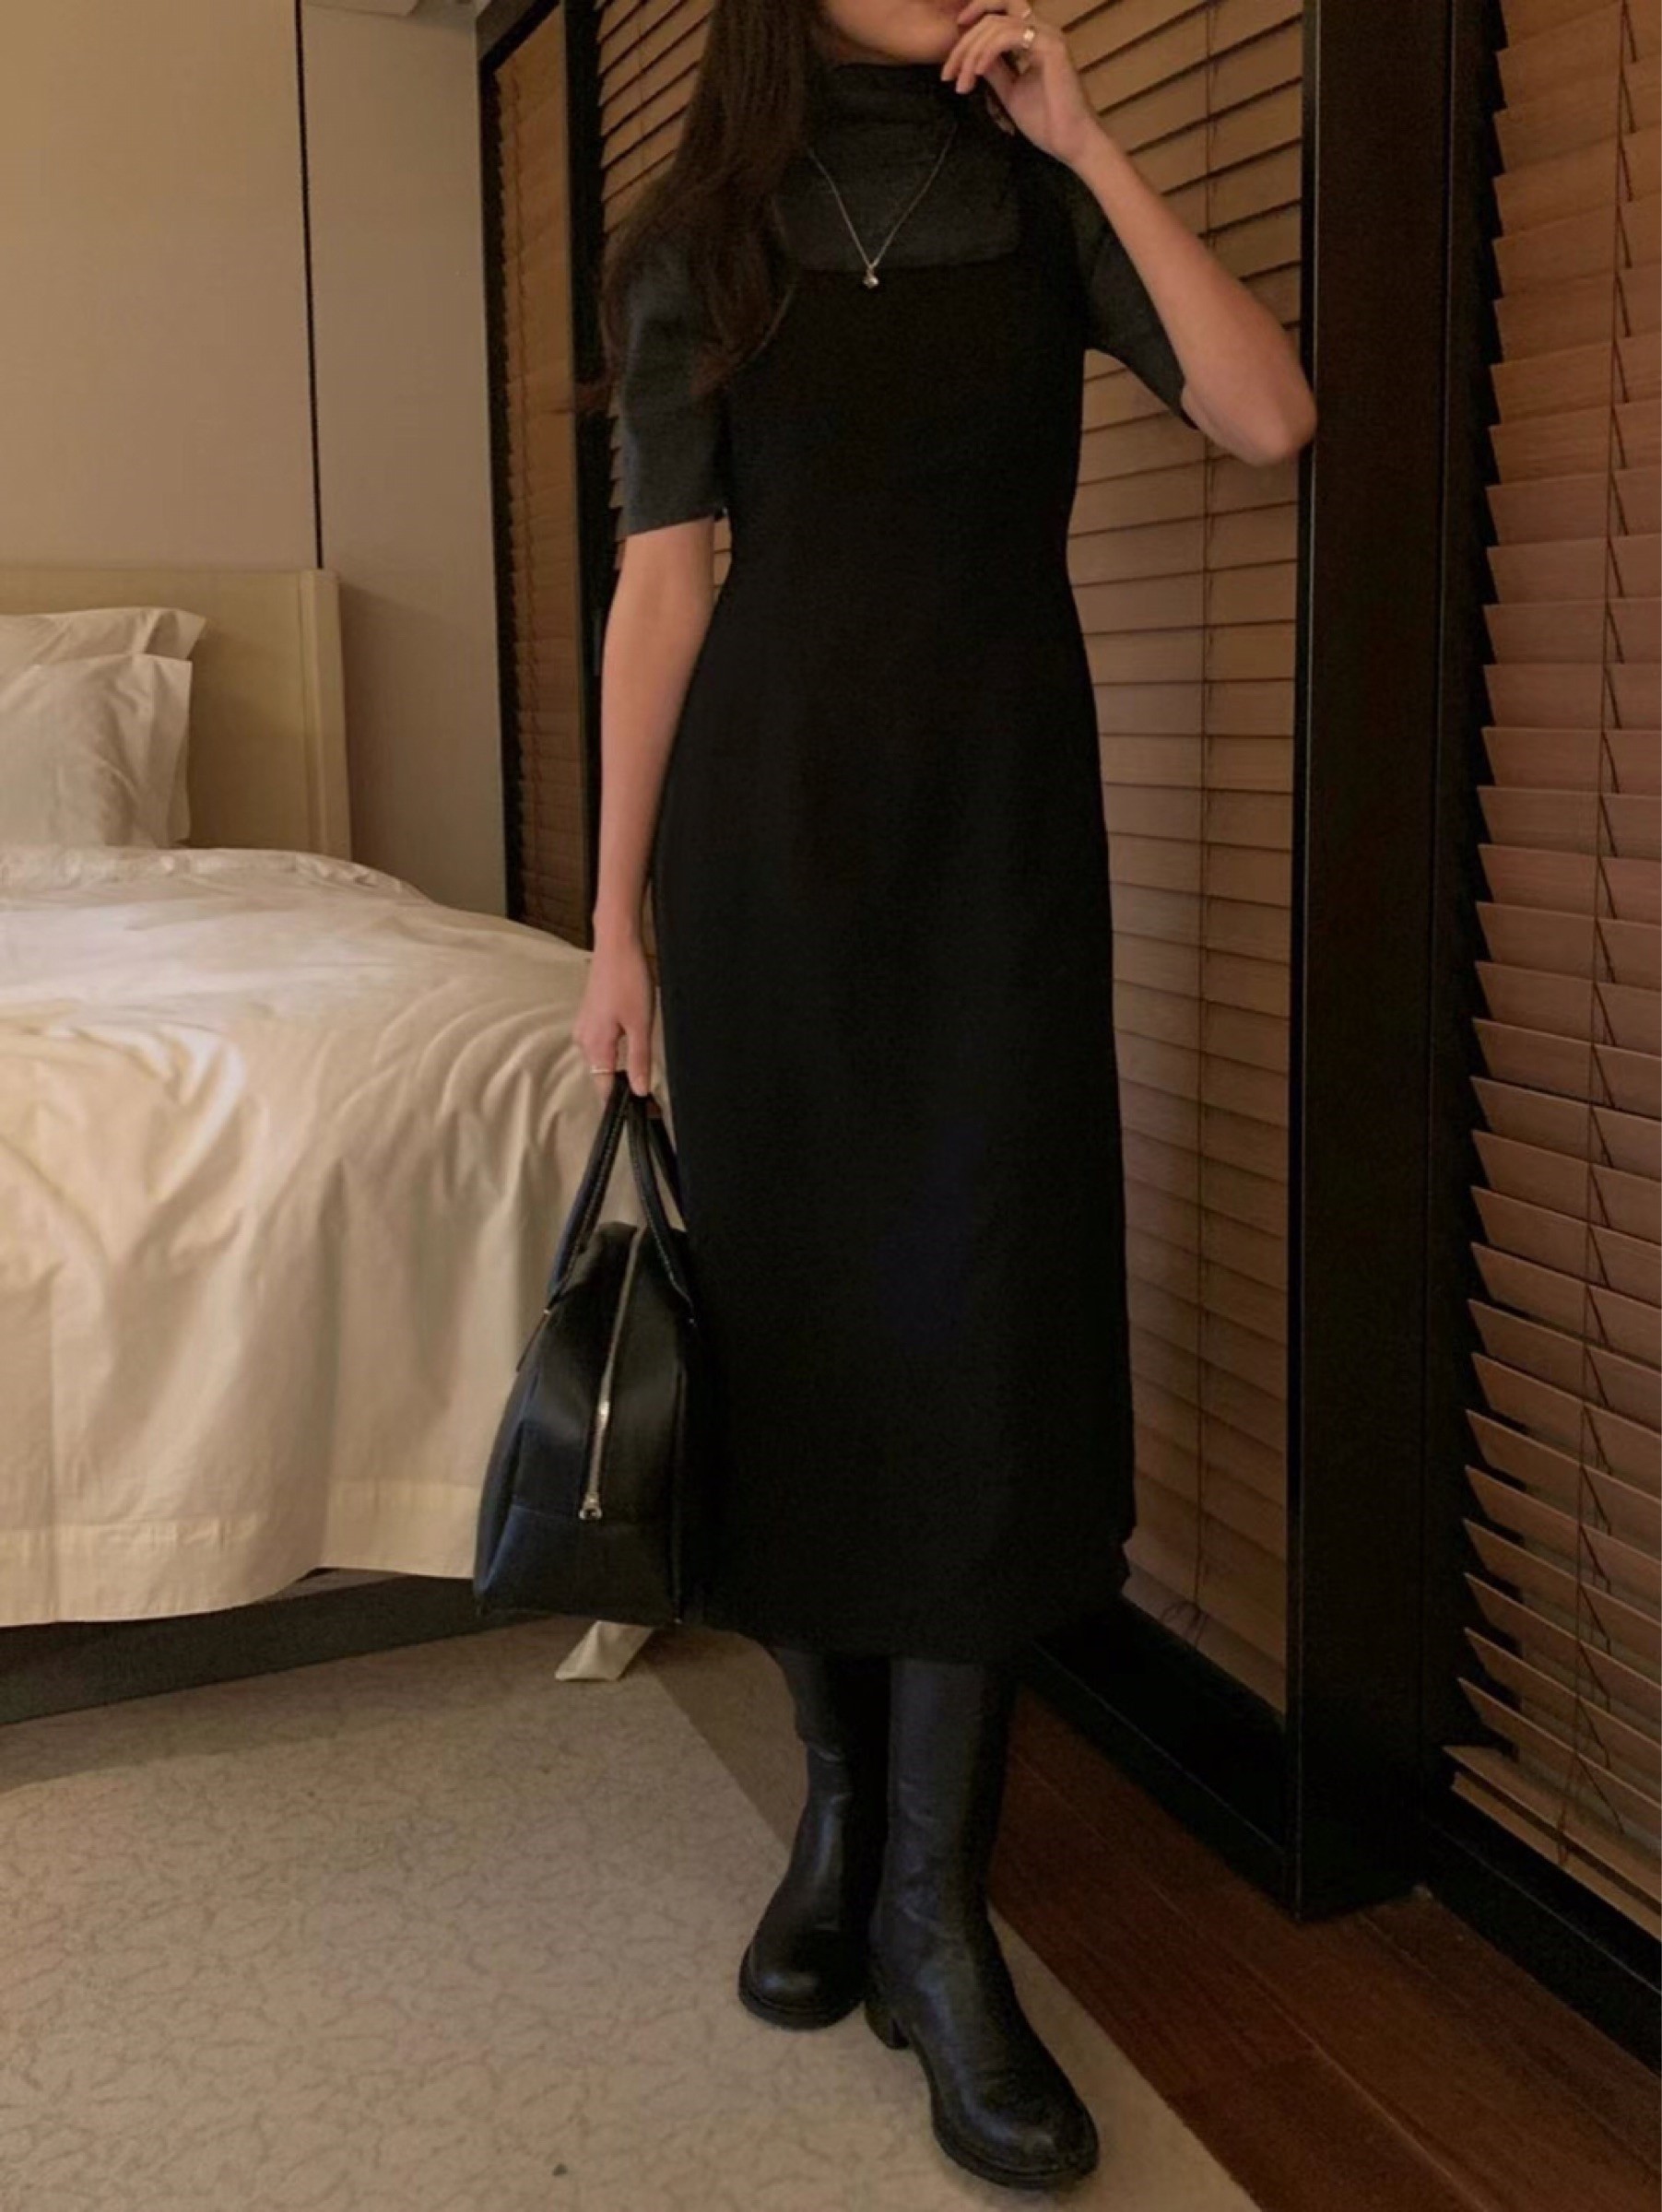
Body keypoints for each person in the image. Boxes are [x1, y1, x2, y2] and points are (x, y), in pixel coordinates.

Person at [577, 0, 1315, 2189]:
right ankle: (837, 1822)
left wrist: (1086, 140)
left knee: (982, 1338)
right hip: (768, 852)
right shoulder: (692, 240)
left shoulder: (1028, 197)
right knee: (802, 1334)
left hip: (996, 849)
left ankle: (930, 1908)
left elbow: (1267, 416)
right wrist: (613, 925)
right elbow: (661, 586)